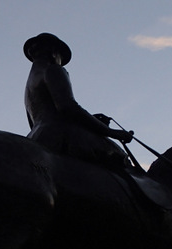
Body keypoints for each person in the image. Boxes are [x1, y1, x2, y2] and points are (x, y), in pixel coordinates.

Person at [23, 33, 133, 168]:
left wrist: (92, 120)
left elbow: (38, 120)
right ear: (53, 52)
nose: (60, 61)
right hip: (62, 136)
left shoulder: (29, 86)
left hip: (37, 137)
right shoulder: (53, 70)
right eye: (60, 57)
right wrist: (110, 132)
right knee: (119, 158)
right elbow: (67, 107)